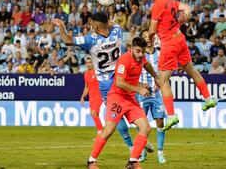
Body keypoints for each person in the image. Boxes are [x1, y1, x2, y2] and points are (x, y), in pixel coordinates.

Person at [52, 12, 134, 153]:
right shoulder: (118, 31)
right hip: (121, 77)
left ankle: (132, 146)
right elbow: (112, 24)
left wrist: (61, 27)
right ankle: (142, 138)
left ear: (96, 25)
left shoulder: (90, 39)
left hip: (106, 83)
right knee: (131, 108)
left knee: (116, 115)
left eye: (92, 24)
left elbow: (67, 40)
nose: (90, 25)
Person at [147, 0, 217, 131]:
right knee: (191, 70)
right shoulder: (169, 0)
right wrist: (187, 13)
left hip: (169, 44)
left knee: (163, 81)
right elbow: (186, 7)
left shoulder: (157, 5)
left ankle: (171, 115)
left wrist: (150, 41)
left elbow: (152, 30)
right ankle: (208, 98)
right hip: (180, 39)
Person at [87, 37, 159, 169]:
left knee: (146, 127)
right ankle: (91, 161)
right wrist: (139, 89)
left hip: (130, 99)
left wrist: (156, 77)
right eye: (138, 51)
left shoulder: (141, 58)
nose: (141, 55)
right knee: (109, 130)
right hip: (117, 97)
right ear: (131, 49)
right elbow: (119, 82)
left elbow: (147, 64)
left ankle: (133, 161)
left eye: (143, 52)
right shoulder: (124, 60)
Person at [137, 30, 166, 164]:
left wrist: (161, 82)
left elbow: (165, 71)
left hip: (157, 94)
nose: (147, 39)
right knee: (141, 124)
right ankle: (142, 152)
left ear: (154, 39)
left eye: (149, 36)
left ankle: (160, 153)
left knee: (160, 122)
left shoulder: (160, 53)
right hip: (142, 94)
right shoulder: (138, 55)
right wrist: (140, 85)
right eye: (144, 37)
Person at [80, 57, 103, 134]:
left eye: (90, 62)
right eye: (87, 62)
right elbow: (86, 87)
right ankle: (101, 132)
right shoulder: (86, 74)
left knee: (93, 113)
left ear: (93, 63)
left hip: (99, 95)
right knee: (94, 114)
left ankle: (100, 132)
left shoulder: (97, 72)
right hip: (91, 97)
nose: (88, 64)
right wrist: (82, 97)